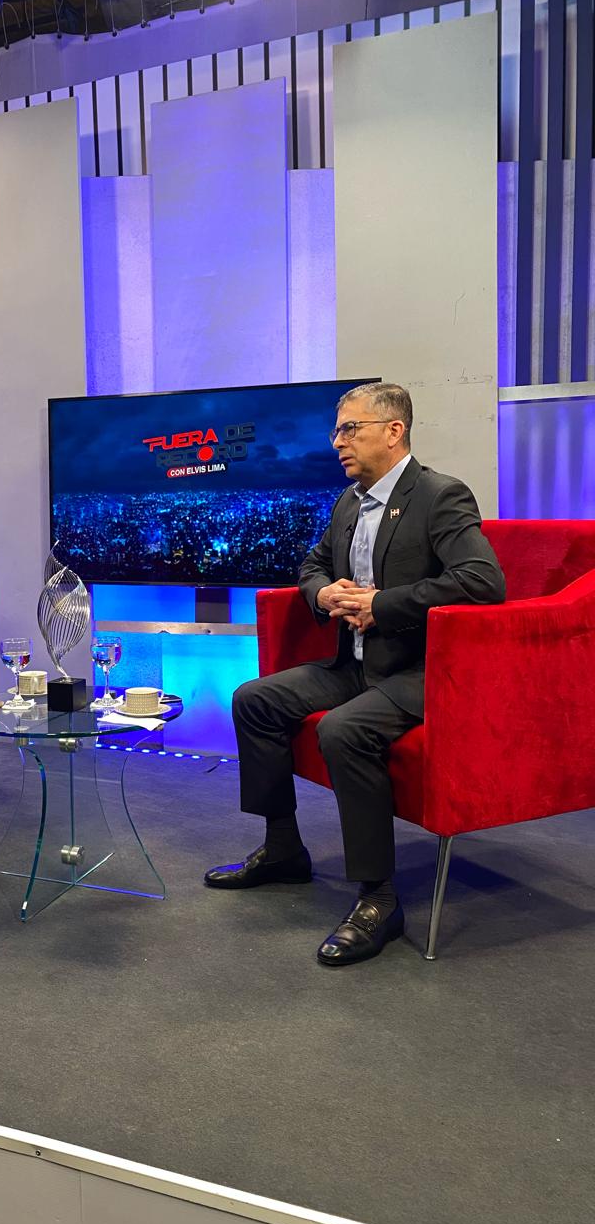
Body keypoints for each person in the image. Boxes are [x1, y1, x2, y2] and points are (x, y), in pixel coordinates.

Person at [204, 383, 505, 965]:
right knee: (253, 699)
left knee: (341, 730)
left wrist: (382, 605)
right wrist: (324, 594)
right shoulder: (350, 500)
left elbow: (482, 581)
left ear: (394, 431)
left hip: (417, 671)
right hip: (355, 663)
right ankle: (284, 849)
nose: (337, 442)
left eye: (350, 429)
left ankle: (378, 898)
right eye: (337, 430)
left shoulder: (439, 495)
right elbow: (312, 565)